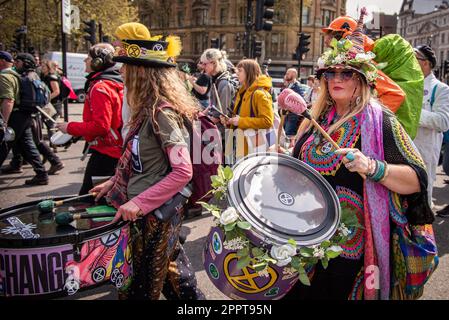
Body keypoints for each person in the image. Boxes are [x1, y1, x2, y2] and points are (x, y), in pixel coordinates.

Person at [285, 13, 435, 300]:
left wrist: (372, 167)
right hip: (303, 241)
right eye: (331, 73)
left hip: (350, 251)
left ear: (362, 80)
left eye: (347, 73)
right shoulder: (314, 121)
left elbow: (417, 179)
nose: (337, 79)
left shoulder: (380, 122)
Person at [92, 22, 204, 300]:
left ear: (141, 73)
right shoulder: (146, 111)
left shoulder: (161, 114)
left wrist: (138, 203)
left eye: (126, 67)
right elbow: (143, 161)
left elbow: (182, 172)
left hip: (154, 217)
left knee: (141, 289)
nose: (122, 72)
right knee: (174, 277)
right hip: (145, 214)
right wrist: (113, 182)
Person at [56, 43, 124, 195]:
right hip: (114, 151)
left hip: (106, 152)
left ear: (97, 62)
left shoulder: (100, 88)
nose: (85, 61)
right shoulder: (113, 83)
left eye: (88, 58)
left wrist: (70, 127)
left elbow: (101, 126)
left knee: (90, 198)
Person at [0, 53, 50, 185]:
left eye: (18, 61)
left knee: (4, 144)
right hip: (26, 114)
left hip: (17, 115)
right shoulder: (30, 76)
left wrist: (4, 121)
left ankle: (42, 173)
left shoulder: (9, 76)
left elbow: (9, 100)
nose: (15, 63)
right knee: (28, 145)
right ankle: (41, 174)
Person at [413, 45, 449, 209]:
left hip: (426, 151)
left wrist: (412, 113)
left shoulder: (440, 88)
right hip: (404, 149)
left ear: (425, 63)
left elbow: (443, 122)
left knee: (423, 196)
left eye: (415, 58)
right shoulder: (407, 85)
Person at [222, 59, 274, 160]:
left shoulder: (260, 94)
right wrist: (230, 121)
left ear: (249, 72)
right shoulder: (242, 92)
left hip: (254, 144)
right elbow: (241, 117)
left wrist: (240, 121)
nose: (237, 73)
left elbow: (267, 121)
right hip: (241, 142)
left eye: (240, 70)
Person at [282, 68, 308, 139]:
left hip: (293, 116)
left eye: (288, 74)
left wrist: (290, 108)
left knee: (288, 135)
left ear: (293, 75)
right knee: (285, 135)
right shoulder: (289, 85)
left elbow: (301, 101)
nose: (286, 75)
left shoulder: (297, 86)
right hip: (287, 115)